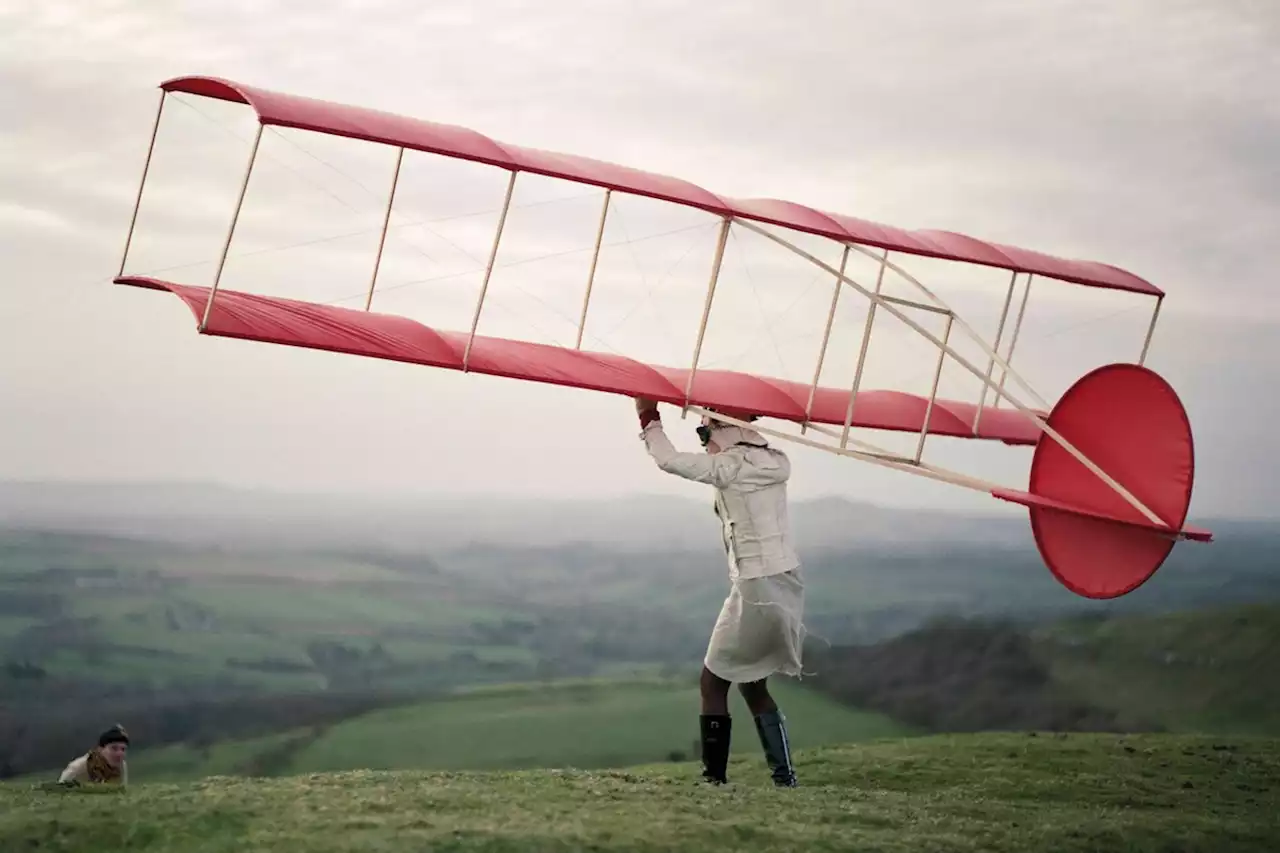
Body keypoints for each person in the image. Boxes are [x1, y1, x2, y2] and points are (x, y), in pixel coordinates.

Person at [633, 397, 804, 787]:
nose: (702, 440)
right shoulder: (773, 461)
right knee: (752, 682)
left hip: (756, 583)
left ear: (725, 429)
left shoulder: (732, 466)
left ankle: (714, 780)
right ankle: (784, 779)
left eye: (705, 430)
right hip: (785, 580)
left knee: (712, 683)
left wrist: (648, 415)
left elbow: (668, 460)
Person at [57, 724, 130, 786]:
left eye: (123, 749)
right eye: (114, 748)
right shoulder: (78, 769)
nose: (120, 754)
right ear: (101, 749)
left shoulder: (121, 766)